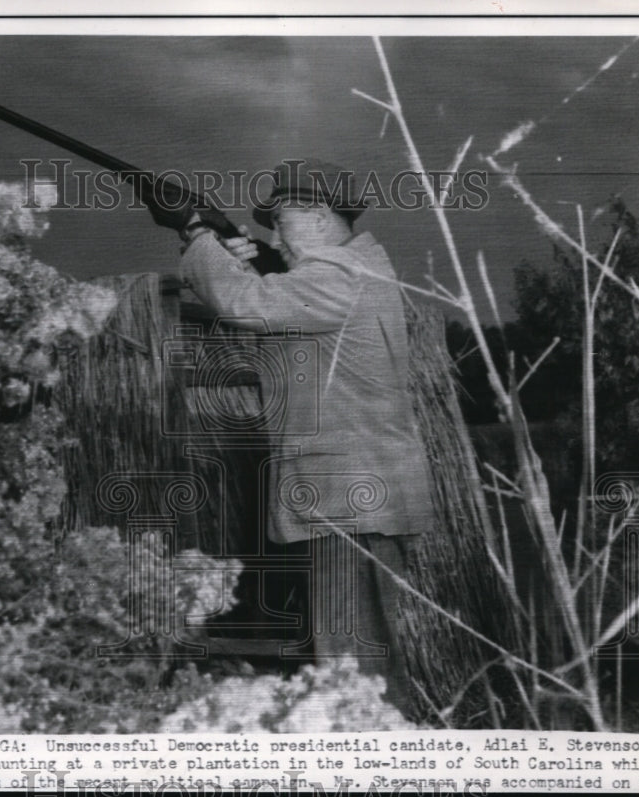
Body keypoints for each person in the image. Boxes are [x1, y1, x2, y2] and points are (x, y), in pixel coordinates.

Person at [152, 158, 437, 717]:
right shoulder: (359, 269)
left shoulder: (338, 276)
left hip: (347, 500)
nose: (273, 234)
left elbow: (247, 305)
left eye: (281, 221)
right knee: (365, 664)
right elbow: (277, 303)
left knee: (351, 665)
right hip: (359, 498)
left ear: (319, 214)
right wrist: (249, 260)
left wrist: (196, 233)